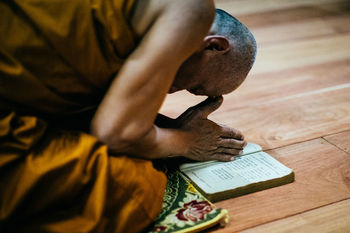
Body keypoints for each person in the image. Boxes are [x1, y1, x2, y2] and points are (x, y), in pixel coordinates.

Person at [0, 0, 256, 232]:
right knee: (135, 186)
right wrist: (188, 141)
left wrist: (168, 128)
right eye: (197, 87)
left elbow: (91, 98)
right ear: (214, 45)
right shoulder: (192, 10)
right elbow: (115, 134)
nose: (188, 92)